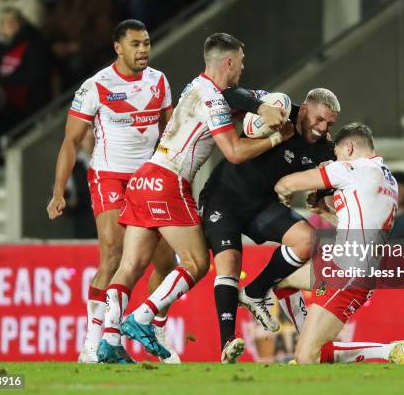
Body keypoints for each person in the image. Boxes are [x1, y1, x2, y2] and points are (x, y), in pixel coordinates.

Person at [98, 32, 291, 363]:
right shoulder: (214, 100)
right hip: (169, 181)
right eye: (241, 62)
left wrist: (266, 102)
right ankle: (144, 318)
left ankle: (109, 339)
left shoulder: (197, 86)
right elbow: (232, 151)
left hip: (144, 177)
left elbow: (239, 96)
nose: (244, 67)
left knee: (130, 266)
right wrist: (275, 140)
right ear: (228, 62)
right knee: (198, 262)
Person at [46, 19, 177, 364]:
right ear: (118, 47)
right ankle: (92, 343)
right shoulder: (96, 86)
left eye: (147, 42)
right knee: (114, 254)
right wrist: (58, 191)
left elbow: (170, 136)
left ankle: (153, 326)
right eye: (135, 44)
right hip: (110, 178)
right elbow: (71, 141)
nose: (144, 49)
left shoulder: (159, 82)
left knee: (166, 261)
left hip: (149, 179)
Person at [198, 87, 339, 363]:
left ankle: (254, 291)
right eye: (320, 119)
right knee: (229, 263)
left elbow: (328, 180)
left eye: (330, 124)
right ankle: (227, 343)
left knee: (308, 240)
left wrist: (320, 195)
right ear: (306, 108)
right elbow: (226, 94)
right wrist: (259, 107)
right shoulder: (279, 108)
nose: (323, 128)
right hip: (224, 197)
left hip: (262, 206)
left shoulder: (325, 149)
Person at [271, 122, 404, 364]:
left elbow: (287, 183)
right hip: (348, 267)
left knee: (307, 357)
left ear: (348, 148)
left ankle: (388, 351)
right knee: (281, 281)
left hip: (347, 274)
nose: (335, 161)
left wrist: (281, 191)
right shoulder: (388, 180)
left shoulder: (355, 169)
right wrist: (325, 213)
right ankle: (310, 341)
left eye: (336, 155)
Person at [0, 7, 52, 134]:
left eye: (14, 20)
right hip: (4, 98)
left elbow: (38, 75)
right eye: (5, 22)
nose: (10, 24)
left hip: (28, 100)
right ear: (0, 27)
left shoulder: (33, 44)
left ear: (21, 23)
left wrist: (6, 81)